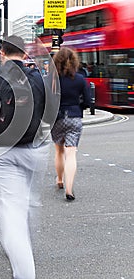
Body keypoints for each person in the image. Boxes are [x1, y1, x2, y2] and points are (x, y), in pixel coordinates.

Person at [0, 35, 48, 279]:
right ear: (24, 53)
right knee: (26, 202)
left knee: (11, 212)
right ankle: (21, 243)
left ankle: (24, 275)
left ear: (2, 52)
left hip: (3, 149)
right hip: (34, 147)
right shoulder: (38, 75)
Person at [50, 47, 91, 201]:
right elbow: (87, 101)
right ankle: (69, 189)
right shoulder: (80, 79)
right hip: (74, 117)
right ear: (74, 61)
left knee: (59, 151)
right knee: (71, 153)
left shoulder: (52, 79)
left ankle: (59, 180)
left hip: (57, 118)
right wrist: (78, 108)